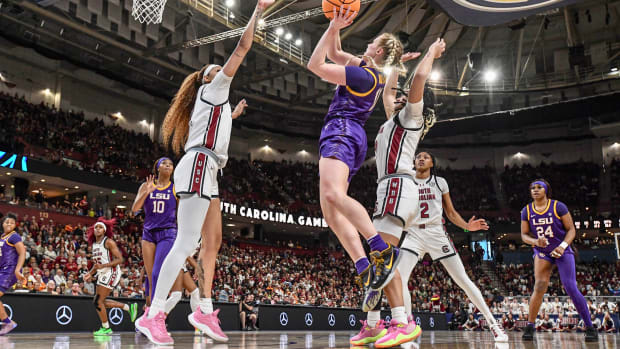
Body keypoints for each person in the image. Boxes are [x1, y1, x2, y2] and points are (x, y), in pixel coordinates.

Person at [135, 0, 270, 345]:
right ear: (207, 80)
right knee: (186, 243)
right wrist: (257, 10)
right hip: (197, 166)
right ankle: (153, 315)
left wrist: (233, 116)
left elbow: (216, 128)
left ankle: (204, 308)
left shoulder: (217, 105)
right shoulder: (212, 89)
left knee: (213, 242)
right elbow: (242, 47)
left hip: (209, 169)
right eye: (214, 69)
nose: (220, 70)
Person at [351, 38, 443, 348]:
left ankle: (403, 322)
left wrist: (431, 54)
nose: (399, 98)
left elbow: (418, 80)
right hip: (386, 189)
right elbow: (389, 92)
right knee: (378, 260)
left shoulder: (412, 119)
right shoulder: (393, 119)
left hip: (399, 187)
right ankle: (375, 325)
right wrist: (397, 63)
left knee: (382, 258)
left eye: (406, 98)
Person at [306, 4, 405, 293]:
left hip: (343, 130)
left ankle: (381, 249)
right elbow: (335, 54)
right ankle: (364, 267)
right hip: (350, 134)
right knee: (330, 208)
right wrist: (335, 24)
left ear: (379, 52)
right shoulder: (364, 69)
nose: (367, 44)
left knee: (332, 195)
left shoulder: (365, 75)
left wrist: (331, 28)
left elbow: (316, 65)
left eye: (372, 43)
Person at [520, 179, 598, 342]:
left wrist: (562, 246)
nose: (535, 190)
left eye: (539, 187)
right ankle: (530, 326)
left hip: (561, 250)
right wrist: (534, 242)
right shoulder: (526, 211)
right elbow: (524, 235)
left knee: (570, 286)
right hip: (542, 251)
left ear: (546, 190)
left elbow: (571, 230)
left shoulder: (558, 206)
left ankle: (590, 327)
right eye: (532, 188)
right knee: (539, 286)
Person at [131, 158, 200, 319]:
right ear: (157, 167)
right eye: (164, 163)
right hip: (148, 233)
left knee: (156, 273)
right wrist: (146, 193)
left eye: (170, 164)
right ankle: (149, 312)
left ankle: (155, 315)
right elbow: (134, 208)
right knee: (149, 276)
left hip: (168, 232)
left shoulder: (175, 189)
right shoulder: (146, 185)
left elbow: (184, 213)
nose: (168, 165)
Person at [84, 218, 138, 336]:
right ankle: (128, 308)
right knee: (99, 302)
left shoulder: (108, 242)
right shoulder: (94, 245)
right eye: (96, 227)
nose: (97, 229)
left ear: (104, 230)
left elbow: (120, 259)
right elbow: (97, 264)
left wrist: (103, 266)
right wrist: (90, 273)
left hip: (112, 271)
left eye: (100, 227)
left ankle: (106, 328)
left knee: (98, 301)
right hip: (102, 272)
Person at [0, 213, 25, 335]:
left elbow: (23, 253)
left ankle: (7, 322)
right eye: (7, 222)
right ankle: (7, 322)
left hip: (10, 270)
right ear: (2, 223)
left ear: (15, 225)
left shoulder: (14, 237)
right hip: (2, 270)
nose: (9, 224)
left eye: (12, 222)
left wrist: (17, 269)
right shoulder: (2, 237)